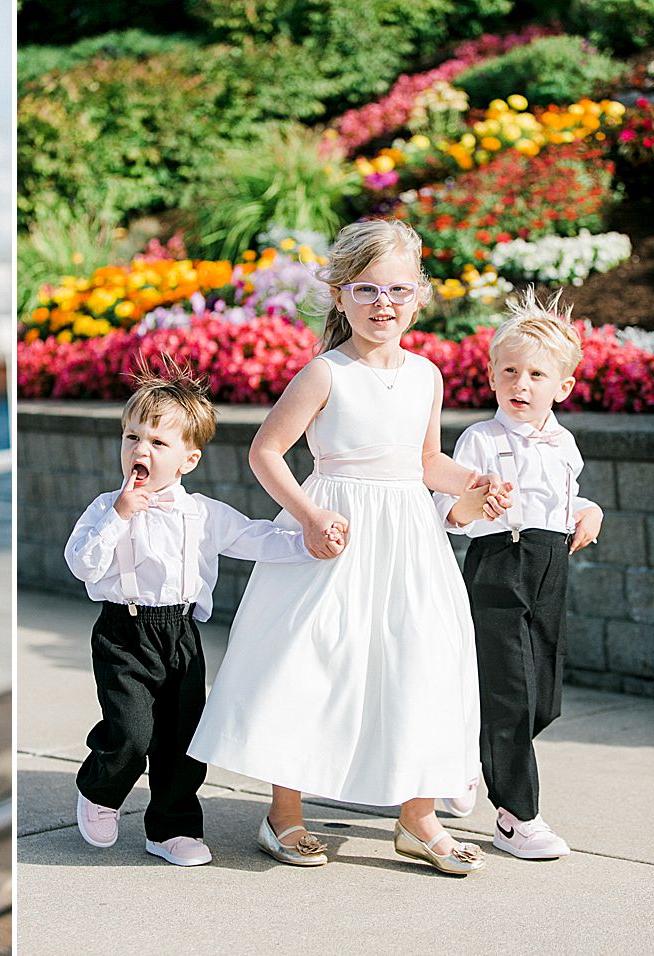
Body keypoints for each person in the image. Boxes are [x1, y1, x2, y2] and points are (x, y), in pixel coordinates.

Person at [188, 218, 506, 875]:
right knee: (309, 661)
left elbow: (424, 462)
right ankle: (284, 815)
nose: (382, 304)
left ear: (419, 296)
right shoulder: (325, 373)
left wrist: (472, 481)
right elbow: (266, 451)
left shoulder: (426, 376)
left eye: (397, 290)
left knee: (421, 662)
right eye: (366, 290)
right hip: (334, 534)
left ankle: (418, 820)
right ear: (339, 296)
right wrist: (307, 515)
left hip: (410, 540)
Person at [65, 362, 330, 867]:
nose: (140, 450)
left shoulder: (202, 513)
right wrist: (120, 516)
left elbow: (256, 537)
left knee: (183, 742)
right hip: (124, 632)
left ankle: (171, 828)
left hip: (180, 634)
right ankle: (100, 790)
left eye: (157, 443)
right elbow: (82, 564)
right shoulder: (106, 507)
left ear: (189, 459)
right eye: (132, 437)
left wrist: (309, 540)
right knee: (131, 732)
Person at [432, 287, 601, 860]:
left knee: (542, 698)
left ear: (563, 387)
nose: (521, 385)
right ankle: (516, 816)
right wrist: (472, 506)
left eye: (536, 375)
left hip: (551, 568)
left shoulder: (565, 445)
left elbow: (568, 499)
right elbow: (448, 513)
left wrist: (588, 511)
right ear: (492, 376)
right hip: (499, 565)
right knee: (510, 690)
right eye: (510, 371)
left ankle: (471, 758)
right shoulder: (479, 439)